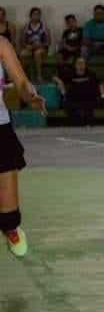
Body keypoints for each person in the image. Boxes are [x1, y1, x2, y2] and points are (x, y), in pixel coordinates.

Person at [0, 37, 46, 257]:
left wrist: (30, 96)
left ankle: (11, 230)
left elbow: (20, 82)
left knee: (9, 217)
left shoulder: (1, 44)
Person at [64, 57, 104, 127]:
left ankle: (89, 124)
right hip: (74, 98)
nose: (80, 65)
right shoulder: (70, 74)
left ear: (85, 65)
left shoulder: (91, 73)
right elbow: (62, 81)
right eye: (79, 63)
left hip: (88, 97)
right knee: (68, 104)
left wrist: (102, 94)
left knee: (90, 105)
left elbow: (99, 84)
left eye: (82, 63)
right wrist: (63, 92)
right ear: (75, 65)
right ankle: (74, 125)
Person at [82, 4, 104, 80]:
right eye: (96, 13)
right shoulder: (88, 24)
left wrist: (101, 43)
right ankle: (83, 73)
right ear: (94, 14)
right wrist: (95, 44)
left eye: (100, 13)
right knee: (83, 49)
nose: (98, 15)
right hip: (92, 47)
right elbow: (85, 40)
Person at [19, 6, 49, 83]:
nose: (36, 16)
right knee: (22, 54)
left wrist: (40, 45)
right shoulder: (26, 27)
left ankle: (39, 75)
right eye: (34, 14)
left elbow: (48, 42)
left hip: (41, 48)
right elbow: (22, 41)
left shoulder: (44, 27)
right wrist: (26, 46)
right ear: (31, 15)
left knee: (37, 53)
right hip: (30, 48)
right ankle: (24, 76)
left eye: (38, 14)